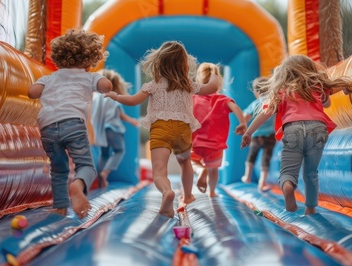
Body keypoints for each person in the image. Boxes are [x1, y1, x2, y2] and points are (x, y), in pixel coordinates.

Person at [104, 41, 220, 218]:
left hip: (160, 128)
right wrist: (213, 74)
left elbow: (133, 100)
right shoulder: (187, 84)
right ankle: (188, 195)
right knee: (185, 162)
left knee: (159, 170)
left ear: (158, 63)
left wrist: (116, 96)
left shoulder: (153, 85)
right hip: (182, 129)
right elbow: (211, 88)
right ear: (184, 64)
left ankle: (167, 191)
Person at [240, 54, 352, 215]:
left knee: (288, 171)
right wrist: (347, 87)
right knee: (311, 172)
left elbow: (265, 113)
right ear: (309, 69)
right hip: (317, 128)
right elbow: (340, 85)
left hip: (293, 129)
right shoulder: (316, 86)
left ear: (284, 74)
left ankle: (288, 186)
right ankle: (310, 208)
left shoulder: (282, 91)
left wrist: (248, 132)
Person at [28, 29, 112, 219]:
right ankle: (77, 185)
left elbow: (32, 92)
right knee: (86, 166)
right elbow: (107, 86)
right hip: (72, 122)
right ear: (90, 59)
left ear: (59, 57)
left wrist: (44, 85)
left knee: (58, 167)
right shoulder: (89, 77)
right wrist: (97, 79)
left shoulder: (49, 78)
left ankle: (60, 206)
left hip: (47, 126)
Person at [191, 62, 247, 197]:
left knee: (192, 161)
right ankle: (212, 191)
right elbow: (236, 108)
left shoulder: (192, 98)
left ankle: (200, 171)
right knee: (214, 169)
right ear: (218, 80)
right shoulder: (222, 99)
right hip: (216, 144)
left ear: (199, 79)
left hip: (195, 142)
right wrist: (242, 123)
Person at [91, 69, 139, 188]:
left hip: (101, 131)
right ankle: (105, 172)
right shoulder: (112, 96)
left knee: (104, 154)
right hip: (112, 129)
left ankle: (101, 182)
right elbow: (120, 115)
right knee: (119, 150)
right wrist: (132, 121)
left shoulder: (96, 97)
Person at [241, 77, 277, 192]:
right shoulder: (273, 101)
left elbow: (245, 117)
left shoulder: (255, 104)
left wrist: (243, 125)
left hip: (256, 135)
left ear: (256, 92)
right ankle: (262, 182)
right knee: (266, 158)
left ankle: (247, 176)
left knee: (252, 155)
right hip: (270, 135)